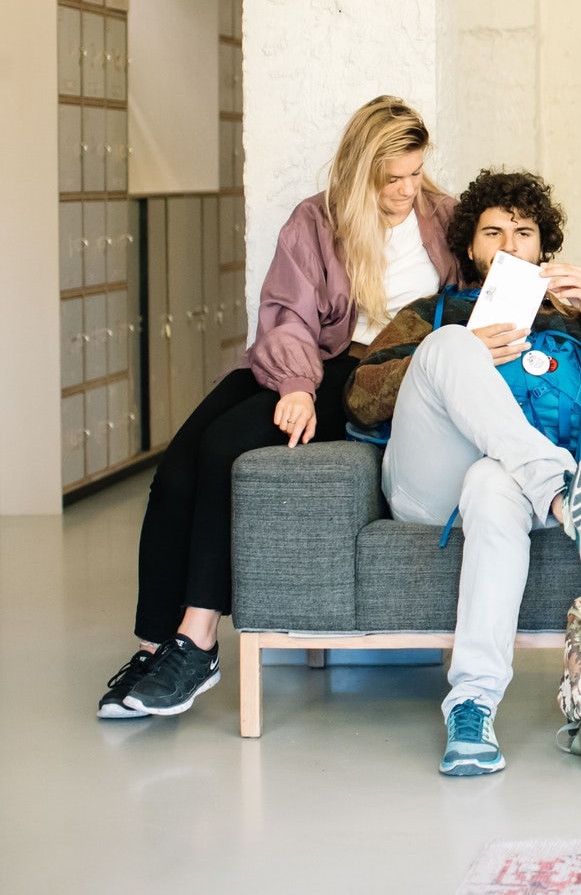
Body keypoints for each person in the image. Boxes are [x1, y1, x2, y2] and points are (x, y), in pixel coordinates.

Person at [100, 97, 460, 720]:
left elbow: (475, 295)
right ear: (359, 170)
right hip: (303, 358)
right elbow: (287, 313)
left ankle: (199, 640)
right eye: (392, 179)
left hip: (367, 370)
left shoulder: (445, 220)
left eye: (415, 174)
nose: (407, 190)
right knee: (178, 463)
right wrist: (294, 383)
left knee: (226, 450)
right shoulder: (316, 221)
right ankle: (153, 644)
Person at [346, 169, 581, 776]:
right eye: (493, 232)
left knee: (493, 480)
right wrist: (461, 343)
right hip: (429, 488)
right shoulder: (431, 312)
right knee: (448, 349)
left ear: (542, 248)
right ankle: (564, 490)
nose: (510, 245)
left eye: (524, 232)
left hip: (510, 500)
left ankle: (472, 706)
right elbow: (359, 401)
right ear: (471, 248)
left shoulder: (571, 322)